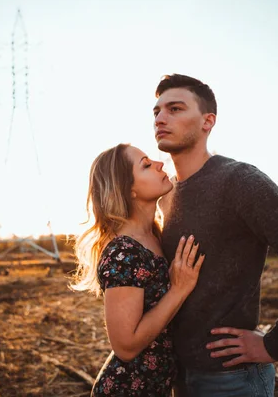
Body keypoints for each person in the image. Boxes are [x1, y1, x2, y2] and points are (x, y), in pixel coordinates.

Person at [152, 74, 278, 396]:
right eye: (157, 111)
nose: (160, 118)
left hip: (231, 381)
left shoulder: (239, 181)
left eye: (174, 109)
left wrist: (274, 345)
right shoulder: (167, 196)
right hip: (181, 376)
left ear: (207, 121)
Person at [71, 143, 206, 396]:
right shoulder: (123, 253)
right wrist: (178, 290)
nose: (159, 164)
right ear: (128, 189)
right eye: (146, 165)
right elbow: (126, 346)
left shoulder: (155, 234)